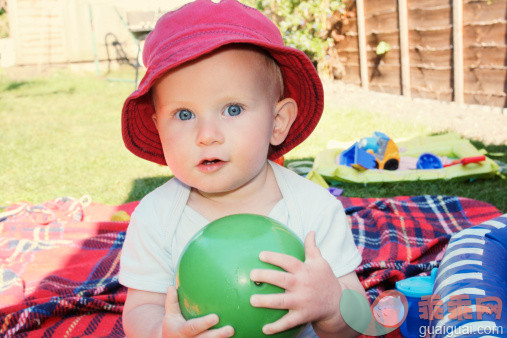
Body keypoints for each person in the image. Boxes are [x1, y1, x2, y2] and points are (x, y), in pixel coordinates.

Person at [119, 0, 366, 337]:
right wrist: (162, 333)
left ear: (277, 122)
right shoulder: (155, 218)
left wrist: (330, 304)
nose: (207, 136)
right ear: (159, 127)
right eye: (184, 114)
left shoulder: (314, 211)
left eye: (233, 109)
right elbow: (141, 309)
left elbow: (359, 323)